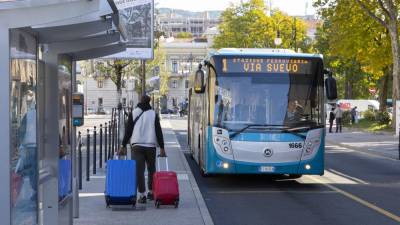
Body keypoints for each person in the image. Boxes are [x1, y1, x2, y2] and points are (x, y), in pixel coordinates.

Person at [121, 95, 166, 204]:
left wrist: (122, 145)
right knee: (151, 170)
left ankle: (142, 195)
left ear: (140, 101)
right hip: (151, 146)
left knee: (139, 172)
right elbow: (158, 131)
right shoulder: (153, 114)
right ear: (149, 102)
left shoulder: (134, 113)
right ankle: (151, 192)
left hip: (137, 146)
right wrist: (162, 147)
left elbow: (128, 131)